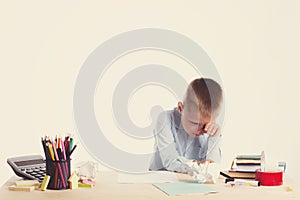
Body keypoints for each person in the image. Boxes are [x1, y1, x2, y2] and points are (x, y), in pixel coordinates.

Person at [149, 78, 223, 173]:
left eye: (204, 125)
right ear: (181, 108)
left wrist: (214, 137)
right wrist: (198, 165)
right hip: (161, 179)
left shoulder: (210, 129)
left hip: (191, 181)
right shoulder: (165, 119)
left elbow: (213, 167)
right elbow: (170, 161)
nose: (199, 130)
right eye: (194, 123)